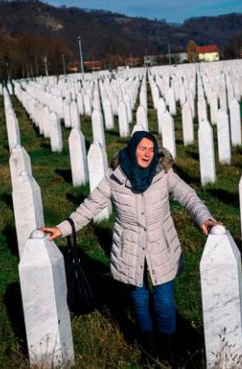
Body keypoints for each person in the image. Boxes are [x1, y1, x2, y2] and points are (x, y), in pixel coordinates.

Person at [40, 130, 221, 366]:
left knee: (164, 301)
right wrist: (62, 228)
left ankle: (170, 346)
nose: (147, 153)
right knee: (139, 300)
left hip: (161, 247)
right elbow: (90, 206)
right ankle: (149, 347)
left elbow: (189, 197)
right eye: (142, 148)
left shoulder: (164, 173)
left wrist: (204, 218)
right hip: (130, 250)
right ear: (132, 149)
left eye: (151, 149)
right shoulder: (115, 178)